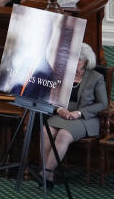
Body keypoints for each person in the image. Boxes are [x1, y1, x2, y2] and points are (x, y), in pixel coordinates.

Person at [34, 44, 107, 188]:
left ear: (86, 61)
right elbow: (51, 97)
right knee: (45, 131)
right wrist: (59, 109)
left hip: (85, 118)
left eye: (78, 60)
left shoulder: (96, 77)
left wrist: (79, 113)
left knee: (63, 135)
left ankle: (45, 173)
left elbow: (103, 103)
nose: (74, 63)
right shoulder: (62, 74)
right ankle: (49, 175)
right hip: (62, 114)